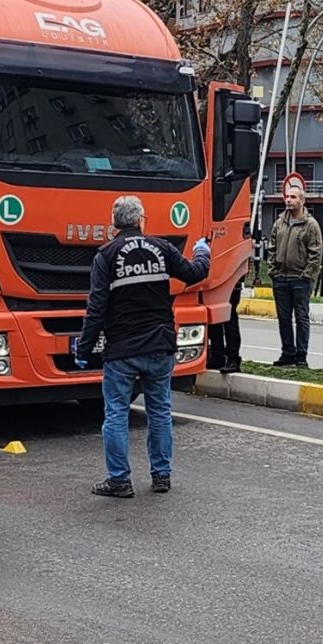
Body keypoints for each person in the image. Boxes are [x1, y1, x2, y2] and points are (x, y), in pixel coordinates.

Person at [77, 196, 211, 498]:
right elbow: (194, 273)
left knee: (115, 415)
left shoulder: (105, 256)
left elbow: (96, 307)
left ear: (115, 223)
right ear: (140, 220)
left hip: (122, 350)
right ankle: (161, 475)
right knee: (160, 412)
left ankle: (119, 480)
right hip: (159, 345)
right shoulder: (162, 249)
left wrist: (84, 349)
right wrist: (202, 251)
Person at [266, 186, 323, 368]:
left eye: (293, 197)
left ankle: (301, 356)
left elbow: (316, 252)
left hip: (300, 279)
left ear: (302, 200)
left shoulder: (311, 225)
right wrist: (272, 270)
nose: (288, 200)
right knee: (283, 318)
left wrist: (307, 275)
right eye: (287, 197)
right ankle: (287, 353)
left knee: (301, 317)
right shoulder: (279, 222)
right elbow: (272, 247)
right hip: (280, 278)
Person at [207, 279, 243, 374]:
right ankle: (218, 357)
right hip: (215, 283)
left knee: (229, 321)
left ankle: (232, 359)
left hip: (230, 284)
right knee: (214, 320)